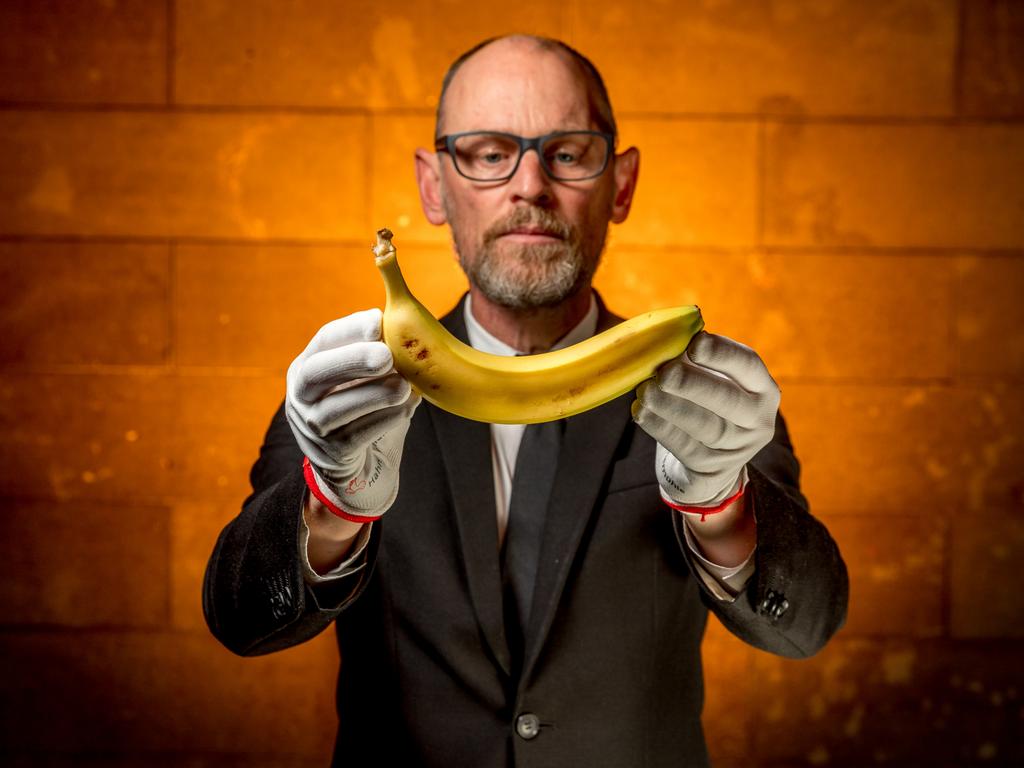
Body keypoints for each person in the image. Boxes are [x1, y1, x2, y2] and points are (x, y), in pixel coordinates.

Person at [203, 34, 848, 767]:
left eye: (568, 152)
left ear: (623, 183)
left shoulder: (707, 395)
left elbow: (807, 625)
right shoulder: (347, 391)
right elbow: (243, 620)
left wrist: (722, 509)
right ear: (432, 186)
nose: (529, 187)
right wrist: (333, 505)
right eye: (485, 152)